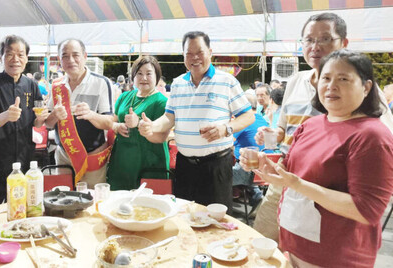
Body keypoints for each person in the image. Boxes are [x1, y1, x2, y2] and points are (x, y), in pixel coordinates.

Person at [252, 12, 393, 242]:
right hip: (284, 180)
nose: (315, 46)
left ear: (344, 43)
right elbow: (284, 130)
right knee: (262, 243)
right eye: (308, 40)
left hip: (330, 192)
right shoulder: (296, 81)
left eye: (325, 39)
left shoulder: (361, 90)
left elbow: (384, 142)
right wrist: (272, 134)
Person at [138, 31, 254, 210]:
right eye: (189, 54)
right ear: (183, 56)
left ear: (210, 52)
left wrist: (226, 128)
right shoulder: (177, 84)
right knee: (184, 216)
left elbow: (248, 116)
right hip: (185, 166)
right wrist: (151, 126)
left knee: (216, 221)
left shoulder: (226, 81)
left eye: (199, 52)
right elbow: (169, 117)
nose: (195, 58)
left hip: (216, 167)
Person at [0, 35, 48, 206]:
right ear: (1, 57)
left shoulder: (31, 85)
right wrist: (5, 116)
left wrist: (41, 119)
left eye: (21, 54)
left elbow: (37, 122)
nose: (15, 59)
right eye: (10, 54)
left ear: (27, 58)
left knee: (24, 209)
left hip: (25, 160)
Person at [45, 39, 113, 187]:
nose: (71, 60)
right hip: (63, 156)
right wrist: (55, 116)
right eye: (65, 56)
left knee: (92, 202)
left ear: (85, 56)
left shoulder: (101, 82)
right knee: (63, 200)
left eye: (75, 55)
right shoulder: (56, 86)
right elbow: (48, 124)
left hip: (91, 157)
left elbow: (109, 122)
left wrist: (91, 115)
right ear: (59, 60)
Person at [107, 56, 168, 190]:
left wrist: (139, 123)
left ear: (157, 76)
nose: (143, 78)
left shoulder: (162, 102)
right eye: (139, 73)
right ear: (133, 77)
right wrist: (116, 126)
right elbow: (112, 121)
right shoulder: (124, 96)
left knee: (147, 205)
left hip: (149, 161)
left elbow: (162, 137)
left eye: (148, 74)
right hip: (121, 160)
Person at [232, 92, 268, 210]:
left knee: (218, 175)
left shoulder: (242, 122)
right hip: (264, 172)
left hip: (247, 172)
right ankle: (257, 196)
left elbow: (226, 144)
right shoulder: (262, 119)